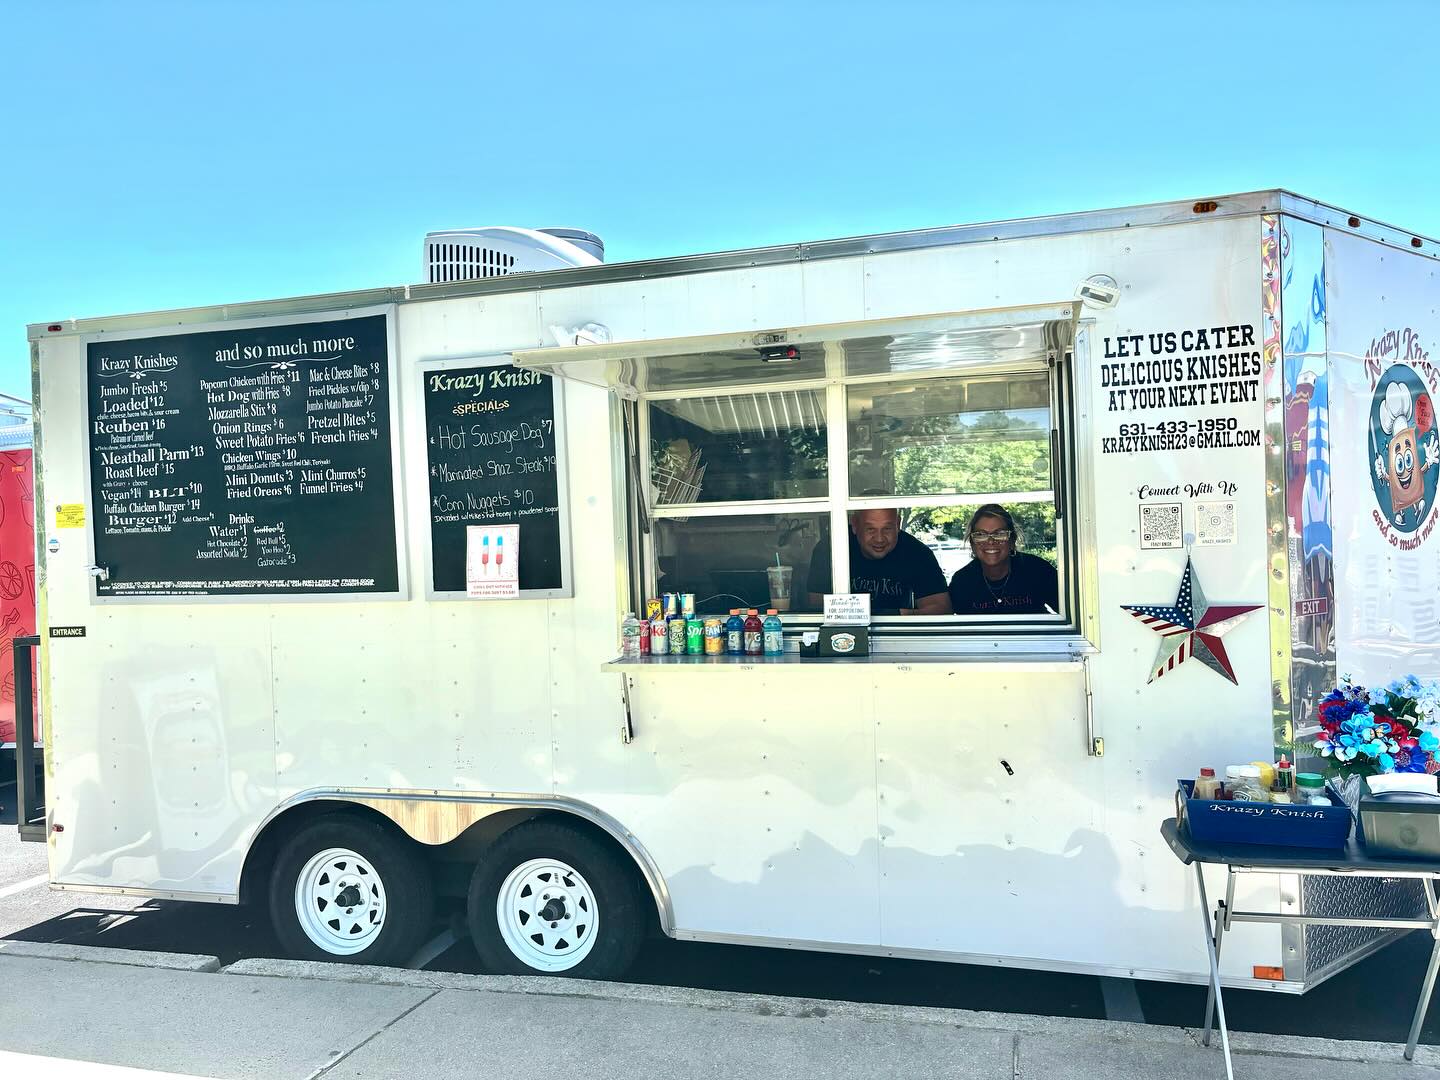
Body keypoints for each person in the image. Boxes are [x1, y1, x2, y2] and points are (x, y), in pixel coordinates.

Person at [806, 507, 951, 615]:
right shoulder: (831, 549)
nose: (880, 538)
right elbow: (817, 607)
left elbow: (942, 609)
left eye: (887, 529)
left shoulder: (917, 553)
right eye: (870, 529)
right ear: (855, 525)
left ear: (898, 524)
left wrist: (898, 616)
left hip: (899, 634)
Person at [948, 504, 1058, 616]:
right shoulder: (962, 582)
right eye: (981, 535)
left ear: (1012, 541)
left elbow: (1072, 613)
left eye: (1000, 534)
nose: (990, 541)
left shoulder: (1038, 570)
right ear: (972, 543)